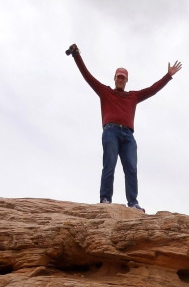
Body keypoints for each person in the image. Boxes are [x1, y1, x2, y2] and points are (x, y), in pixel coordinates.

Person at [67, 44, 182, 212]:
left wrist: (168, 75)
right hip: (111, 131)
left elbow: (152, 90)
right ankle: (105, 199)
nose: (120, 80)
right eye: (118, 77)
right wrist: (76, 55)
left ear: (126, 80)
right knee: (109, 165)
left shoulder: (133, 96)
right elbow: (88, 76)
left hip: (128, 135)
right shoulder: (105, 92)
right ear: (114, 78)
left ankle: (133, 203)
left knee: (131, 168)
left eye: (123, 78)